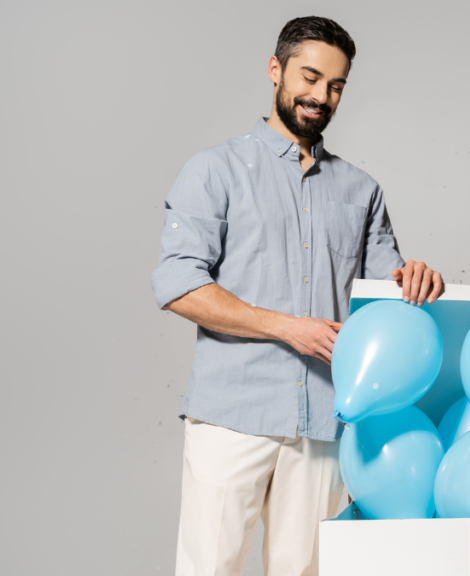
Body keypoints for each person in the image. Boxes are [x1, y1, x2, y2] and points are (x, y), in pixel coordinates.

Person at [151, 16, 443, 576]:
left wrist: (417, 279)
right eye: (310, 77)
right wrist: (289, 327)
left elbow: (388, 296)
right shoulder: (215, 169)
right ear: (275, 70)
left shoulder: (363, 190)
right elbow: (180, 284)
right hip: (231, 415)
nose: (321, 96)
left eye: (336, 86)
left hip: (325, 423)